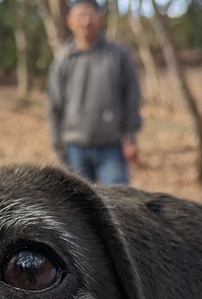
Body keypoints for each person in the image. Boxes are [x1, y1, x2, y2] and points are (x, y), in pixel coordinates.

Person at [48, 0, 142, 186]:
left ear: (100, 19)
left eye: (90, 15)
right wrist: (57, 147)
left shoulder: (118, 55)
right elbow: (54, 105)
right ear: (70, 21)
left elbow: (131, 98)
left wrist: (130, 138)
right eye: (80, 16)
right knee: (78, 210)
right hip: (74, 148)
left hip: (111, 147)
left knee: (117, 205)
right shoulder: (64, 59)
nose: (86, 22)